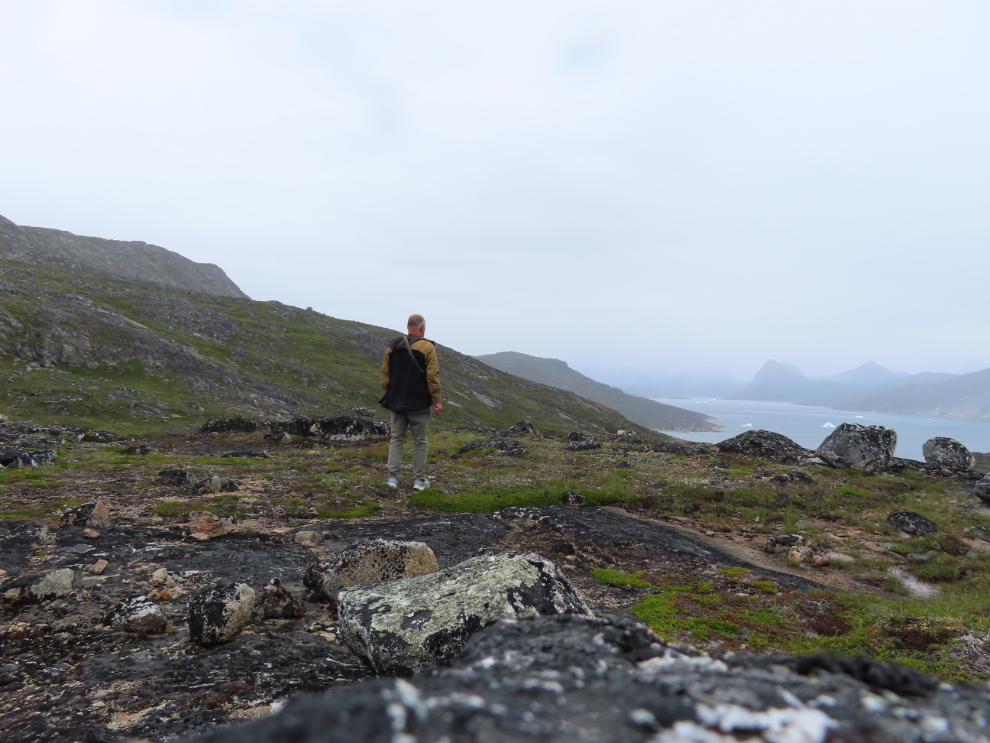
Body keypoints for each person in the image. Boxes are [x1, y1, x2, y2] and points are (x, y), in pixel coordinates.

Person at [379, 313, 442, 490]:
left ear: (408, 327)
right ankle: (419, 480)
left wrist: (391, 393)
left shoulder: (393, 347)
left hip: (397, 401)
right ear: (422, 328)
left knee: (396, 439)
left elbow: (385, 374)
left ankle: (393, 479)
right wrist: (437, 400)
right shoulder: (427, 347)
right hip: (419, 402)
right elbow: (432, 376)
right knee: (420, 441)